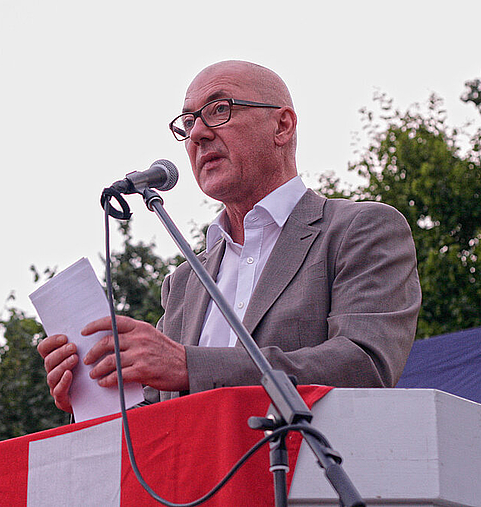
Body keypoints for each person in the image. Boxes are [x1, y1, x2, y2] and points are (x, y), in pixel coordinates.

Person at [38, 60, 421, 412]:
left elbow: (362, 364)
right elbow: (155, 417)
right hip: (196, 487)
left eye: (219, 110)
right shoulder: (184, 282)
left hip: (310, 480)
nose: (198, 134)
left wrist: (190, 366)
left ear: (282, 126)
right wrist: (95, 394)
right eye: (188, 123)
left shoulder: (360, 229)